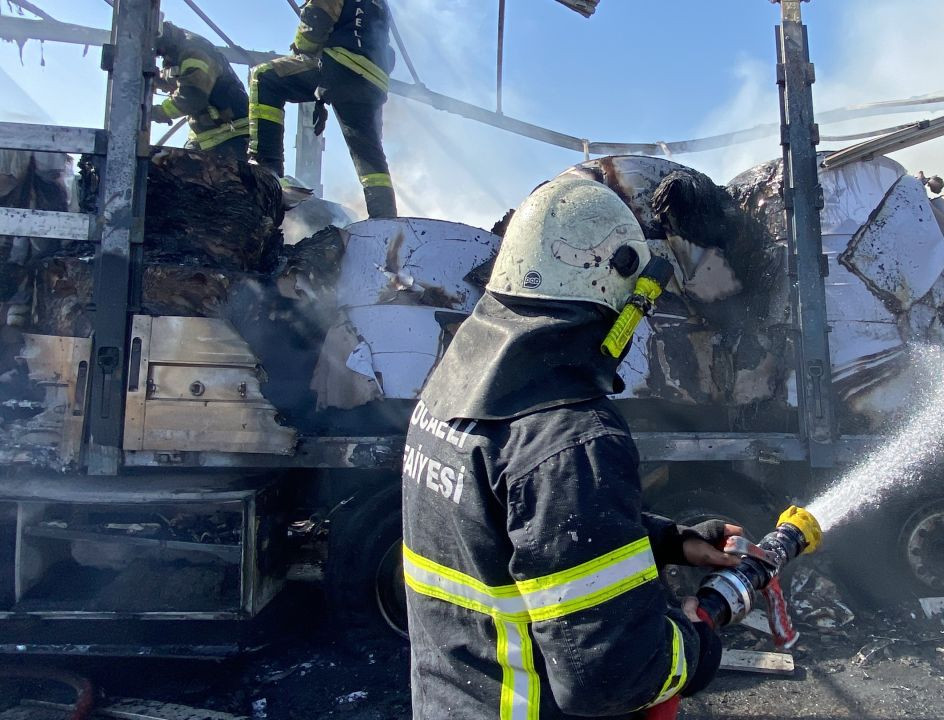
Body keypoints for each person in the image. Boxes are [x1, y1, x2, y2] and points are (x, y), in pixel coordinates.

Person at [403, 177, 732, 719]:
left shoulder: (452, 389)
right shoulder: (571, 439)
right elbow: (610, 675)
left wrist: (669, 540)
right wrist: (694, 644)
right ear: (612, 288)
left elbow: (523, 527)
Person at [248, 0, 397, 218]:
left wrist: (302, 48)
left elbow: (317, 15)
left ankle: (268, 172)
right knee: (369, 154)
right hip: (374, 82)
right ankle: (385, 218)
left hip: (340, 65)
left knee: (265, 77)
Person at [151, 22, 250, 161]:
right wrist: (159, 80)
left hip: (231, 136)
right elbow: (183, 78)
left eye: (157, 51)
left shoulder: (193, 51)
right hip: (208, 137)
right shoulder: (176, 50)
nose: (158, 56)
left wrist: (156, 113)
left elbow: (192, 98)